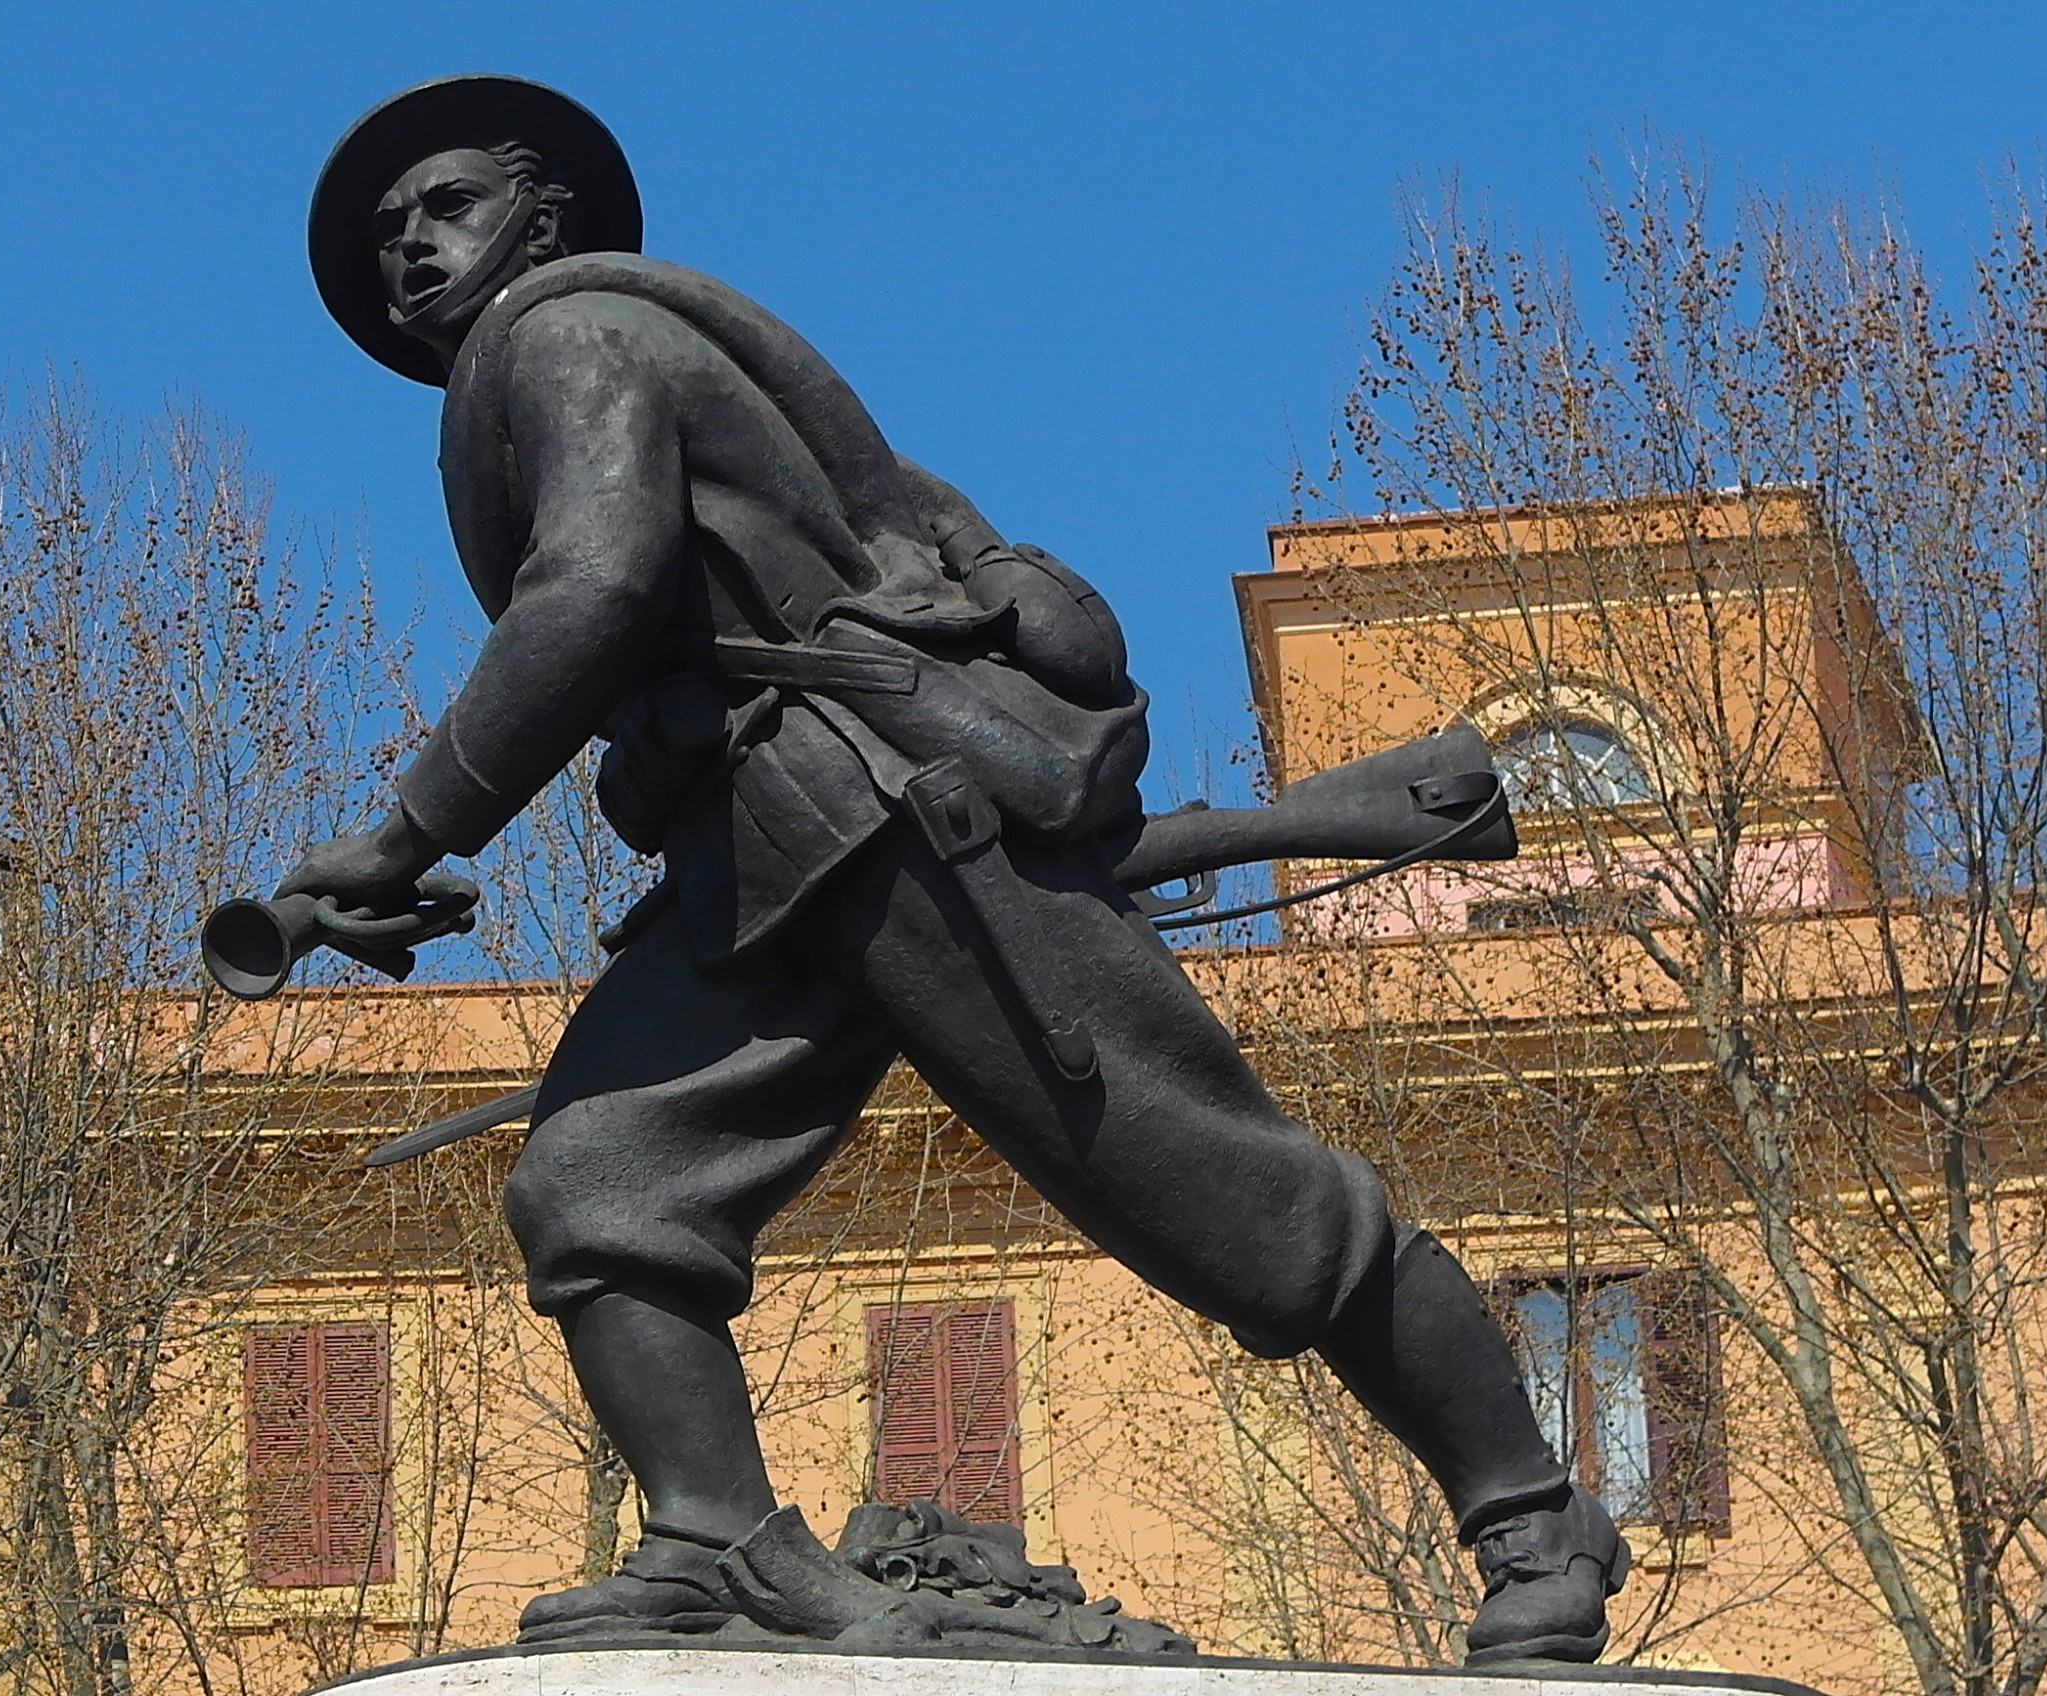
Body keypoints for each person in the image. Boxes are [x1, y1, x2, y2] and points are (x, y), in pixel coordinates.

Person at [279, 75, 1630, 1663]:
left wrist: (411, 827)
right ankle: (714, 1537)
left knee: (1223, 1198)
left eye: (448, 205)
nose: (411, 248)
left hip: (892, 820)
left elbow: (592, 587)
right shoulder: (559, 364)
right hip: (755, 855)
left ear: (544, 219)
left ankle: (1534, 1516)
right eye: (389, 235)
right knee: (600, 1183)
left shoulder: (570, 335)